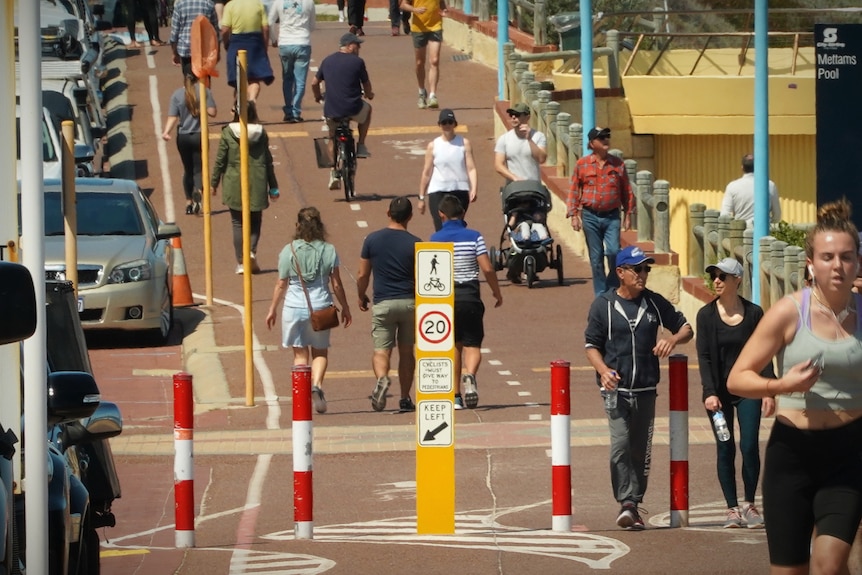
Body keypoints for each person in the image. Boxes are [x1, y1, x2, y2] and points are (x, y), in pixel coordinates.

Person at [728, 198, 862, 574]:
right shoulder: (790, 311)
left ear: (858, 262)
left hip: (848, 454)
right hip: (792, 455)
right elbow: (738, 377)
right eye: (828, 257)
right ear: (811, 263)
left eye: (847, 257)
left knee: (830, 565)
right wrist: (782, 384)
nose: (838, 265)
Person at [584, 245, 693, 530]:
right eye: (637, 269)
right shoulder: (603, 305)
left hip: (646, 389)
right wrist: (603, 370)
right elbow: (591, 346)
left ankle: (634, 501)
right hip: (615, 391)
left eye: (647, 269)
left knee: (640, 449)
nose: (643, 274)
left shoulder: (655, 303)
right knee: (620, 444)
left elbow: (685, 328)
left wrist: (673, 340)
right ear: (620, 273)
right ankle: (627, 501)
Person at [695, 257, 774, 529]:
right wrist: (709, 392)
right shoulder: (705, 316)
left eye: (722, 276)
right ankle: (731, 509)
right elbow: (704, 357)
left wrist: (769, 388)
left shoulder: (754, 314)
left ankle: (750, 504)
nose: (716, 280)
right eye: (714, 275)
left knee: (750, 445)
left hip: (749, 388)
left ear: (737, 280)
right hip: (718, 394)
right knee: (725, 447)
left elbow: (765, 352)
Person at [266, 207, 353, 415]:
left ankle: (302, 394)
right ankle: (317, 386)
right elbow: (337, 284)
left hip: (294, 307)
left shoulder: (289, 251)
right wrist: (345, 307)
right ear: (319, 226)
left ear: (298, 226)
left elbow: (281, 283)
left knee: (299, 353)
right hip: (321, 306)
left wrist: (272, 309)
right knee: (320, 351)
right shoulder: (329, 250)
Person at [430, 194, 502, 409]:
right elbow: (487, 268)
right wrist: (497, 292)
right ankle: (470, 375)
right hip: (470, 295)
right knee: (473, 343)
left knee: (453, 346)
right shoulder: (474, 236)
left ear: (441, 215)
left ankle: (455, 396)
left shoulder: (435, 239)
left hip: (446, 299)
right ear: (462, 213)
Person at [356, 197, 422, 413]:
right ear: (410, 217)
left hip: (383, 302)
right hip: (410, 303)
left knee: (381, 350)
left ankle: (382, 379)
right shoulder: (416, 242)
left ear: (388, 213)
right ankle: (404, 397)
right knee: (406, 351)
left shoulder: (372, 240)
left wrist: (361, 295)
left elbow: (363, 274)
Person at [210, 102, 278, 274]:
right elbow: (268, 161)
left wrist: (214, 182)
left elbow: (220, 159)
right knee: (255, 220)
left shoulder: (227, 132)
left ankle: (241, 261)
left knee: (237, 222)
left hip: (234, 181)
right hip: (257, 179)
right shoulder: (261, 133)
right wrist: (273, 186)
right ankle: (251, 251)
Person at [566, 126, 635, 296]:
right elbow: (574, 189)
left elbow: (626, 190)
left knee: (613, 251)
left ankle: (612, 288)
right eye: (601, 137)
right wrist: (574, 214)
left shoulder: (618, 164)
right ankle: (600, 295)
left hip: (612, 216)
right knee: (596, 259)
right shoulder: (582, 164)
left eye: (607, 137)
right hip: (590, 216)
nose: (606, 140)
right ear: (591, 143)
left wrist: (628, 214)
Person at [311, 32, 374, 191]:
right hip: (353, 108)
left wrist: (318, 96)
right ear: (349, 45)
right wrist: (369, 94)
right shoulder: (358, 62)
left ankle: (333, 171)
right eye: (357, 45)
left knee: (333, 137)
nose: (359, 48)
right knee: (368, 110)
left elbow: (314, 83)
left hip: (332, 110)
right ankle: (361, 145)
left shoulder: (327, 61)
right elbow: (366, 85)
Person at [161, 73, 217, 215]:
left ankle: (188, 202)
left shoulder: (177, 95)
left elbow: (172, 117)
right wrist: (201, 107)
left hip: (183, 137)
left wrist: (166, 132)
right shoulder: (204, 91)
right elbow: (213, 112)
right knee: (199, 168)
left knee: (188, 169)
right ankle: (198, 193)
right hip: (199, 135)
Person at [418, 108, 477, 231]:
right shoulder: (433, 146)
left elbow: (471, 168)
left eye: (450, 122)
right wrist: (421, 197)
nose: (447, 125)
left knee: (458, 226)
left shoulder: (464, 143)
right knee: (441, 227)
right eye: (444, 123)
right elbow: (427, 172)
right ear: (439, 125)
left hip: (459, 190)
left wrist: (474, 188)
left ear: (455, 124)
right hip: (438, 191)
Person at [268, 0, 315, 123]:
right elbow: (312, 25)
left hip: (285, 42)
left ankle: (288, 109)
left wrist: (273, 39)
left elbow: (270, 21)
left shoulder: (279, 2)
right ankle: (296, 111)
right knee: (300, 80)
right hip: (302, 41)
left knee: (287, 78)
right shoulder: (309, 2)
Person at [221, 0, 274, 105]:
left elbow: (225, 30)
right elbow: (265, 28)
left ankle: (239, 106)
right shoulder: (258, 4)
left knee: (238, 79)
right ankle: (252, 102)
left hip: (236, 41)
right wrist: (265, 45)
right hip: (255, 42)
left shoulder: (230, 5)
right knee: (255, 78)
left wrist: (226, 43)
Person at [399, 0, 446, 109]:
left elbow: (441, 3)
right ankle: (421, 92)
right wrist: (415, 9)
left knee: (434, 60)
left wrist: (443, 10)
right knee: (420, 62)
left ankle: (433, 95)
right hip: (418, 28)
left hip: (435, 26)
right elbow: (403, 4)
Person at [720, 153, 782, 226]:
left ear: (742, 167)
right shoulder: (770, 185)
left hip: (740, 231)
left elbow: (725, 214)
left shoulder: (732, 186)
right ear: (759, 166)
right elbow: (777, 215)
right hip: (763, 230)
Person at [493, 103, 547, 183]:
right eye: (511, 115)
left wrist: (529, 139)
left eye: (517, 114)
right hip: (514, 188)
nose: (513, 117)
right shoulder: (504, 139)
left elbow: (541, 159)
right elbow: (498, 165)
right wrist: (514, 178)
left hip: (534, 187)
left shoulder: (538, 136)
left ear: (527, 117)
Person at [169, 0, 220, 78]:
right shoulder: (209, 4)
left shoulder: (179, 5)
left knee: (189, 80)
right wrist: (217, 52)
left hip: (186, 50)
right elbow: (215, 32)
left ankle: (190, 87)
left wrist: (174, 52)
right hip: (205, 51)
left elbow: (174, 33)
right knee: (205, 80)